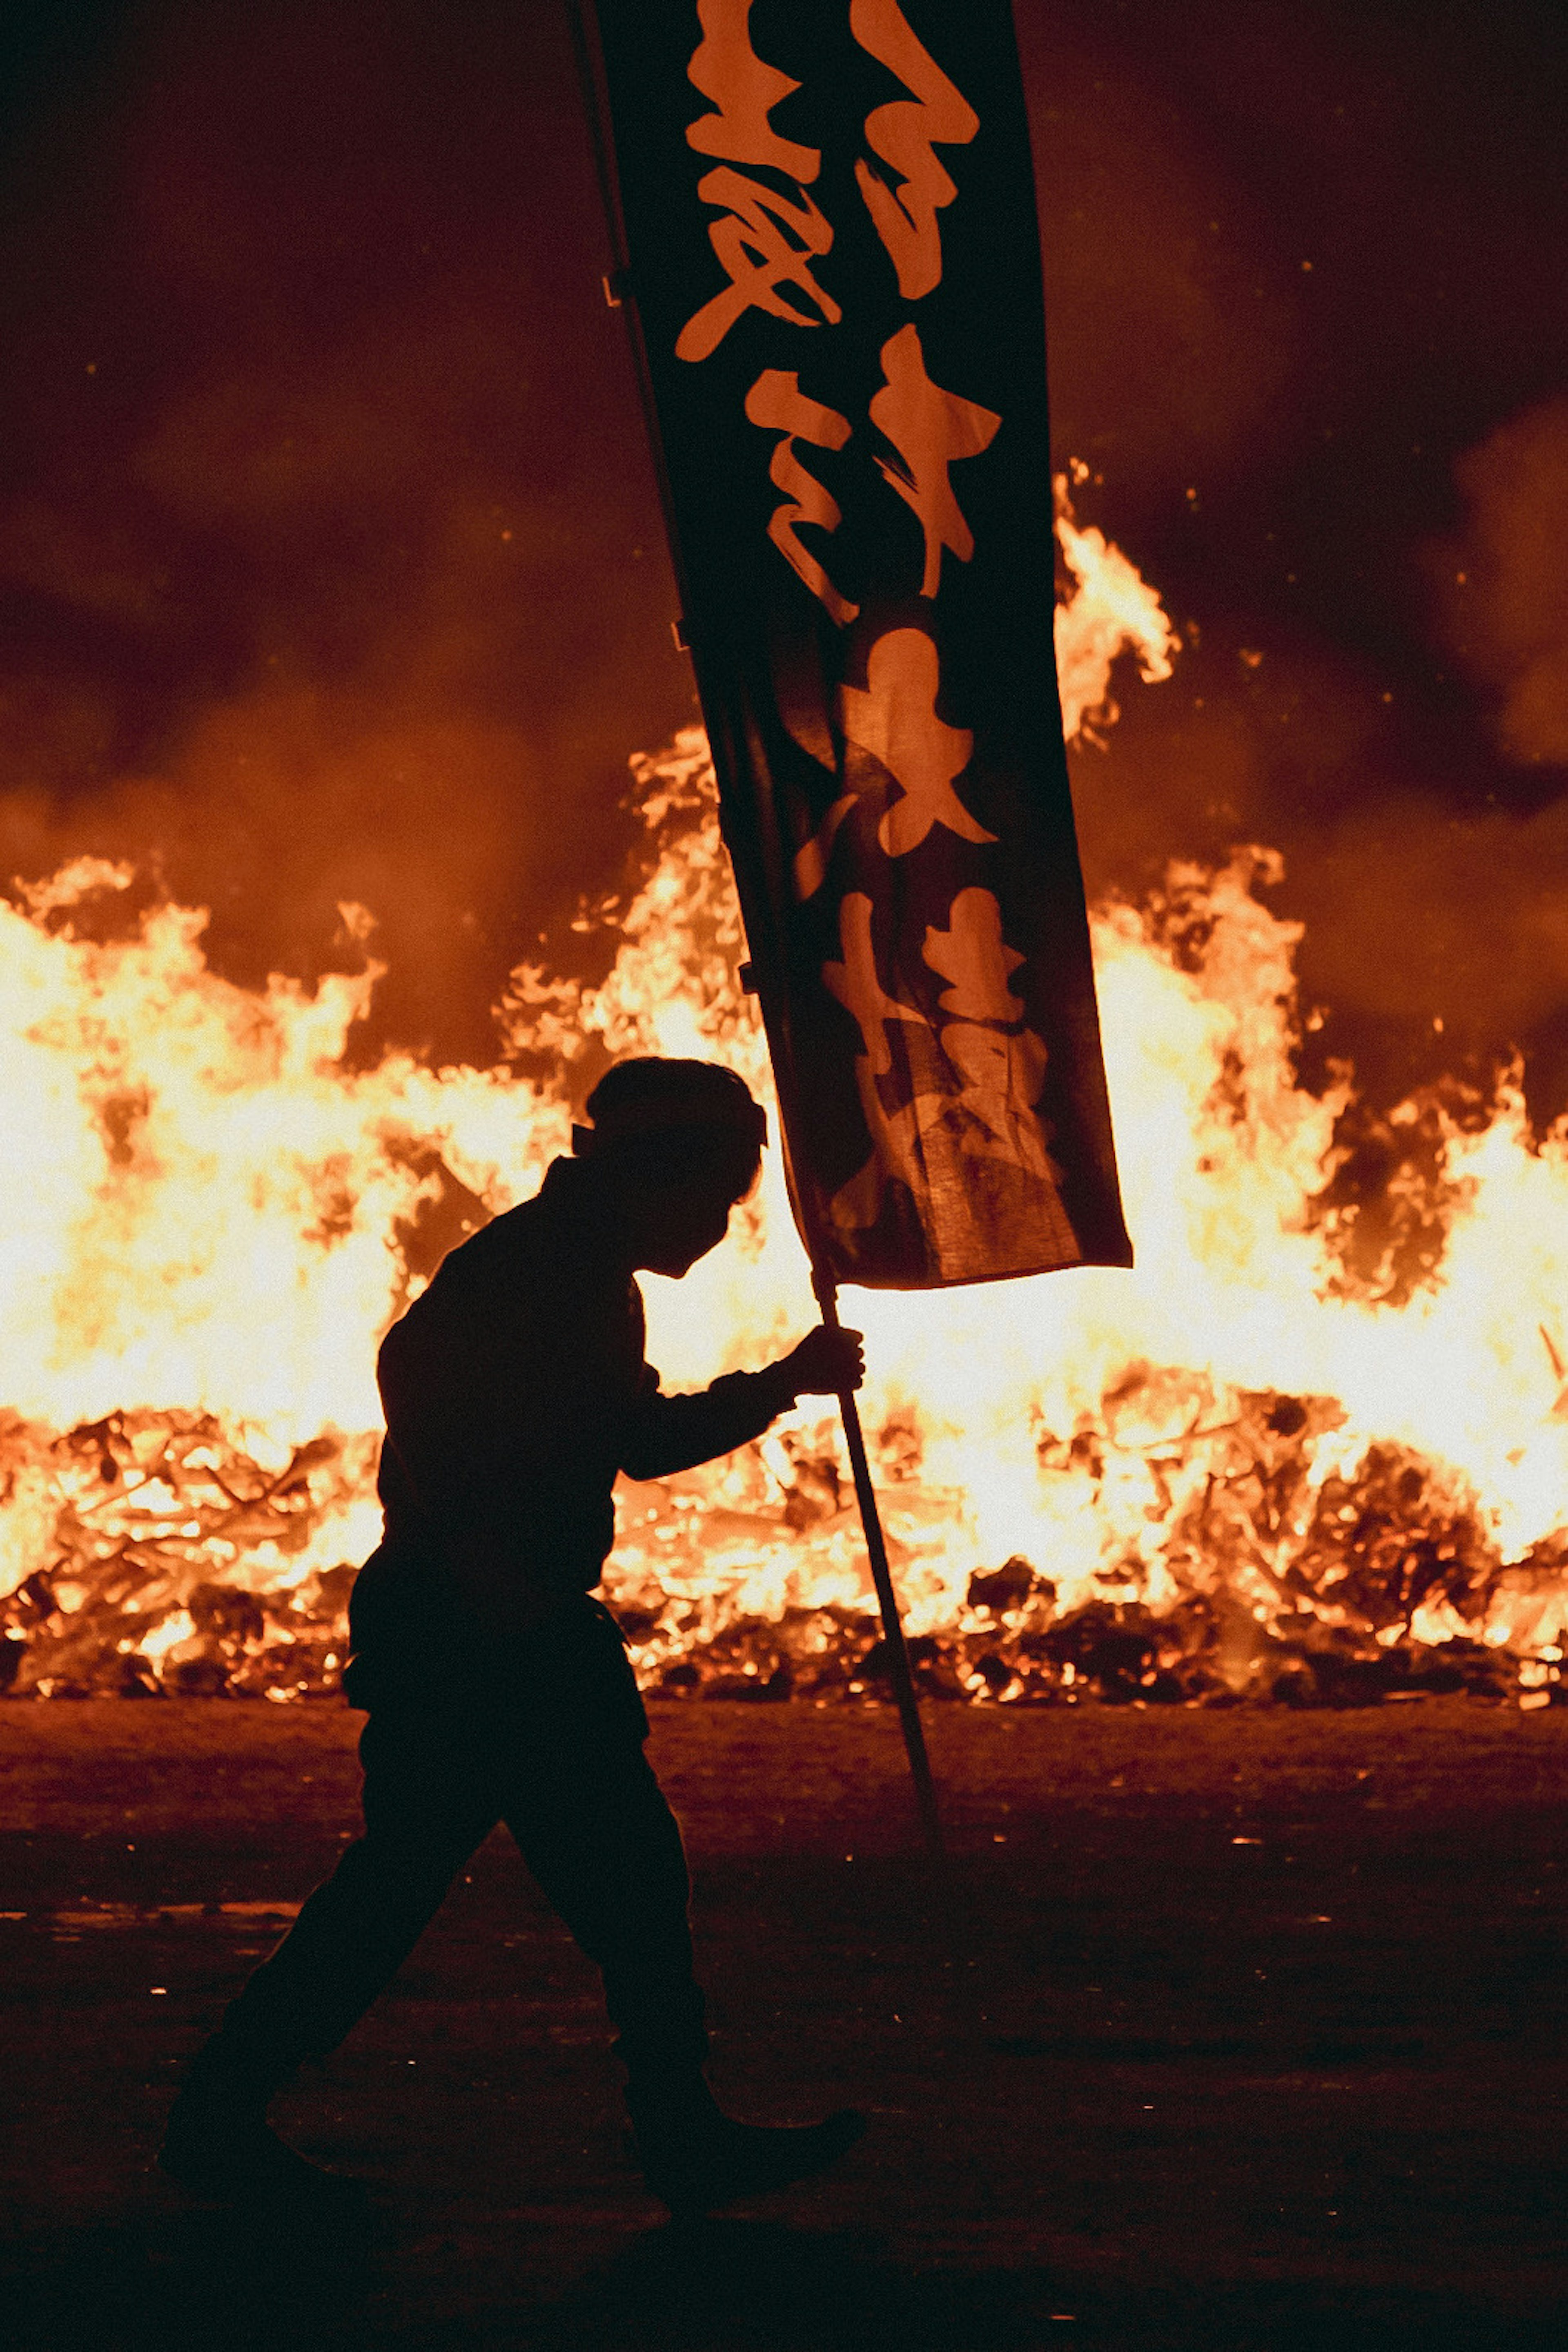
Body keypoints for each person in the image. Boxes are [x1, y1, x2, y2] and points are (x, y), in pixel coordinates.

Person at [159, 1056, 868, 2214]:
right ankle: (223, 2117)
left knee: (580, 1882)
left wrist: (778, 1385)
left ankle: (226, 2114)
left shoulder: (572, 1265)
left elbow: (616, 1433)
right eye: (717, 1199)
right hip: (482, 1635)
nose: (723, 1226)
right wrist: (472, 1548)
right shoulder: (544, 1271)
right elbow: (431, 1379)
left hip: (498, 1628)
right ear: (657, 1178)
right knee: (519, 1884)